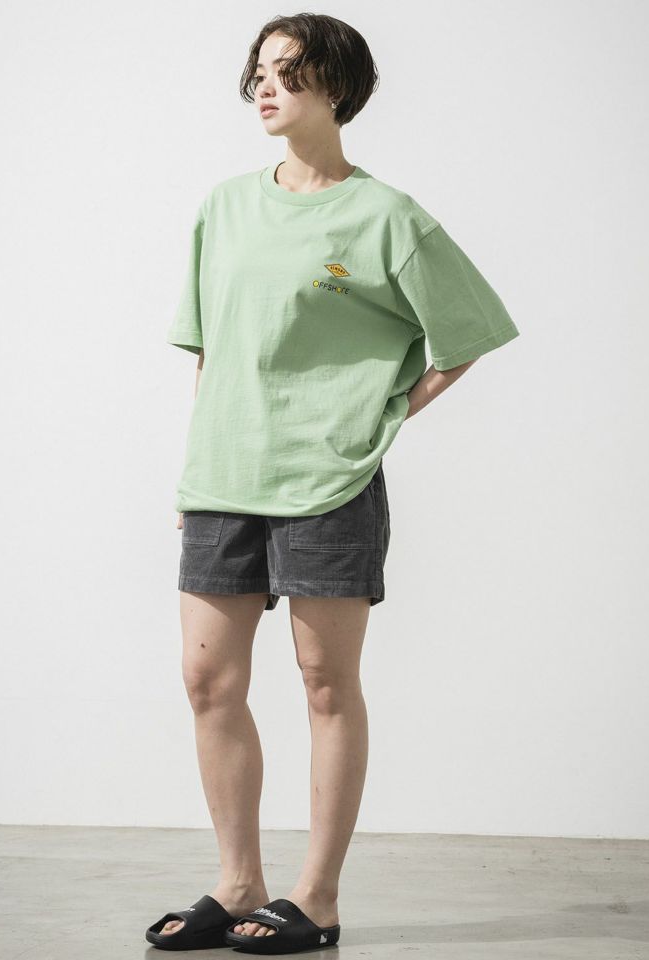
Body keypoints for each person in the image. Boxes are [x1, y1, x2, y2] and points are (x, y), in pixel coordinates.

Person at [146, 12, 520, 955]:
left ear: (337, 86)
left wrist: (378, 418)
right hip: (224, 475)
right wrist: (194, 469)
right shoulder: (224, 207)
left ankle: (316, 898)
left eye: (288, 71)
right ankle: (237, 882)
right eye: (259, 71)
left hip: (330, 484)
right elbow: (213, 355)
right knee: (207, 681)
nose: (265, 87)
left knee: (324, 683)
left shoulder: (386, 216)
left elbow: (468, 334)